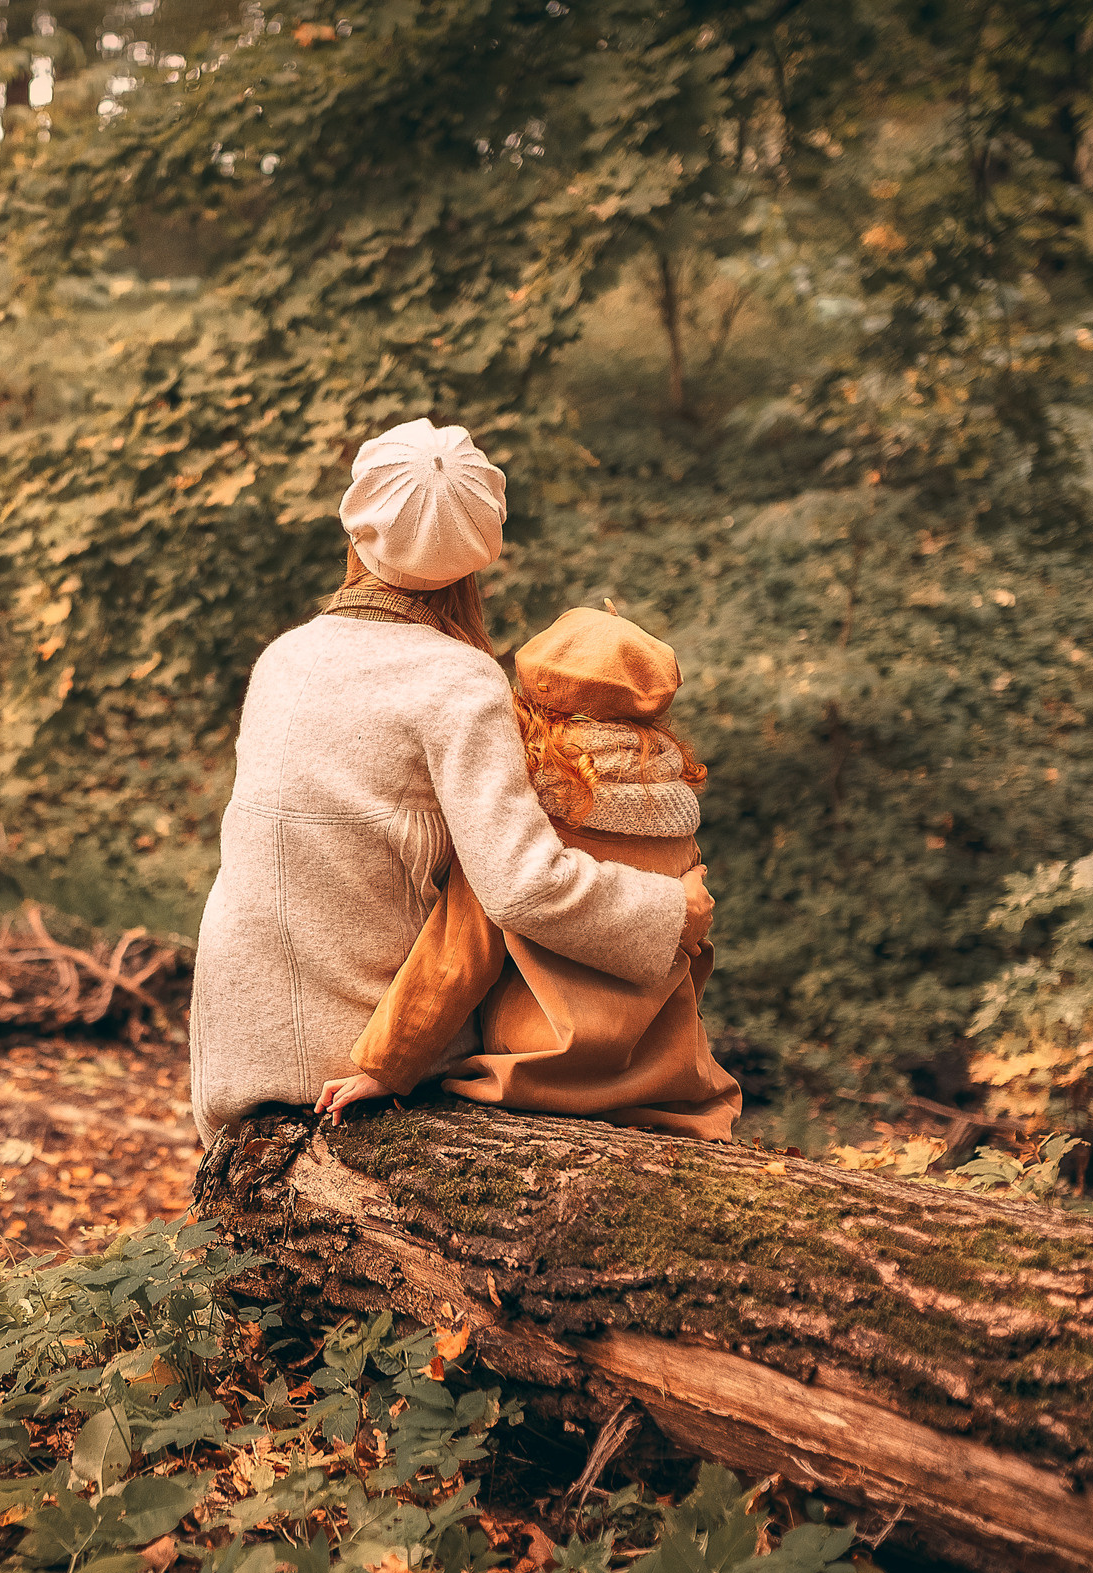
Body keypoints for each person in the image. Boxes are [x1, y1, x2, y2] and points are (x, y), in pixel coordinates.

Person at [190, 421, 712, 1149]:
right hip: (359, 1054)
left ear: (357, 525)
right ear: (477, 552)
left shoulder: (283, 656)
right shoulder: (459, 680)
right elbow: (521, 885)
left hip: (235, 1040)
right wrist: (668, 911)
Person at [319, 607, 742, 1141]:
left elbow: (458, 954)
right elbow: (692, 949)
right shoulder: (674, 817)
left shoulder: (521, 821)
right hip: (661, 1084)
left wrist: (384, 1069)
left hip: (538, 1075)